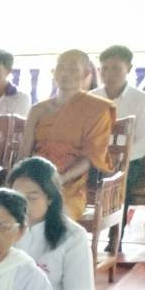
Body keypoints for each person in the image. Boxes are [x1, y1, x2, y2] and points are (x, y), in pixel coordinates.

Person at [8, 157, 96, 290]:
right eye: (16, 197)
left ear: (50, 198)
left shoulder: (73, 236)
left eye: (32, 198)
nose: (23, 206)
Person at [20, 50, 116, 215]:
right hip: (35, 177)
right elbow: (24, 153)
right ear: (53, 72)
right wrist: (20, 180)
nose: (65, 73)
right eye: (60, 68)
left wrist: (58, 180)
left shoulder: (97, 109)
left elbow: (91, 157)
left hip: (70, 185)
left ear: (86, 73)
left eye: (72, 69)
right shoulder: (38, 110)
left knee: (55, 214)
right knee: (12, 209)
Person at [97, 45, 145, 184]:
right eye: (105, 68)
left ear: (129, 68)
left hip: (129, 161)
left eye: (116, 69)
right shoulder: (91, 98)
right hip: (94, 159)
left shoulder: (143, 100)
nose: (109, 74)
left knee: (116, 184)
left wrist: (119, 158)